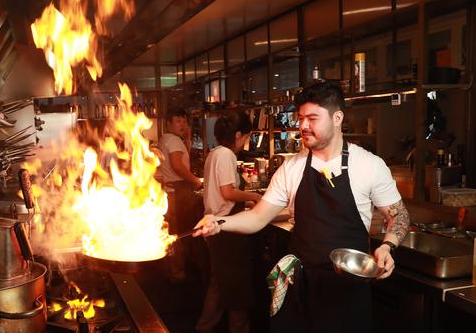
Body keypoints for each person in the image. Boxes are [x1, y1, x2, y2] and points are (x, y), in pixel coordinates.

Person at [194, 82, 410, 333]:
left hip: (347, 290)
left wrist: (387, 245)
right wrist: (218, 223)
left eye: (312, 118)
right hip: (301, 286)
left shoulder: (369, 165)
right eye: (300, 118)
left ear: (337, 117)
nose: (303, 126)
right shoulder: (292, 168)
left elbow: (399, 214)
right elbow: (257, 217)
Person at [195, 111, 262, 333]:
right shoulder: (226, 155)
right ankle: (237, 328)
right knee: (236, 287)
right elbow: (228, 192)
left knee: (219, 283)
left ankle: (204, 327)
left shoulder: (215, 153)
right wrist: (256, 197)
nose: (246, 142)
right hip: (226, 230)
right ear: (238, 134)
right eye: (246, 137)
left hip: (216, 226)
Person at [159, 107, 203, 281]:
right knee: (182, 233)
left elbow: (180, 160)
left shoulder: (166, 138)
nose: (182, 124)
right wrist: (195, 181)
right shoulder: (174, 141)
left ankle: (175, 270)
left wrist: (187, 139)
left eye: (184, 121)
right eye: (178, 121)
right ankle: (180, 272)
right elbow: (177, 165)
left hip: (170, 191)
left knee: (173, 231)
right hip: (179, 193)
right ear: (168, 123)